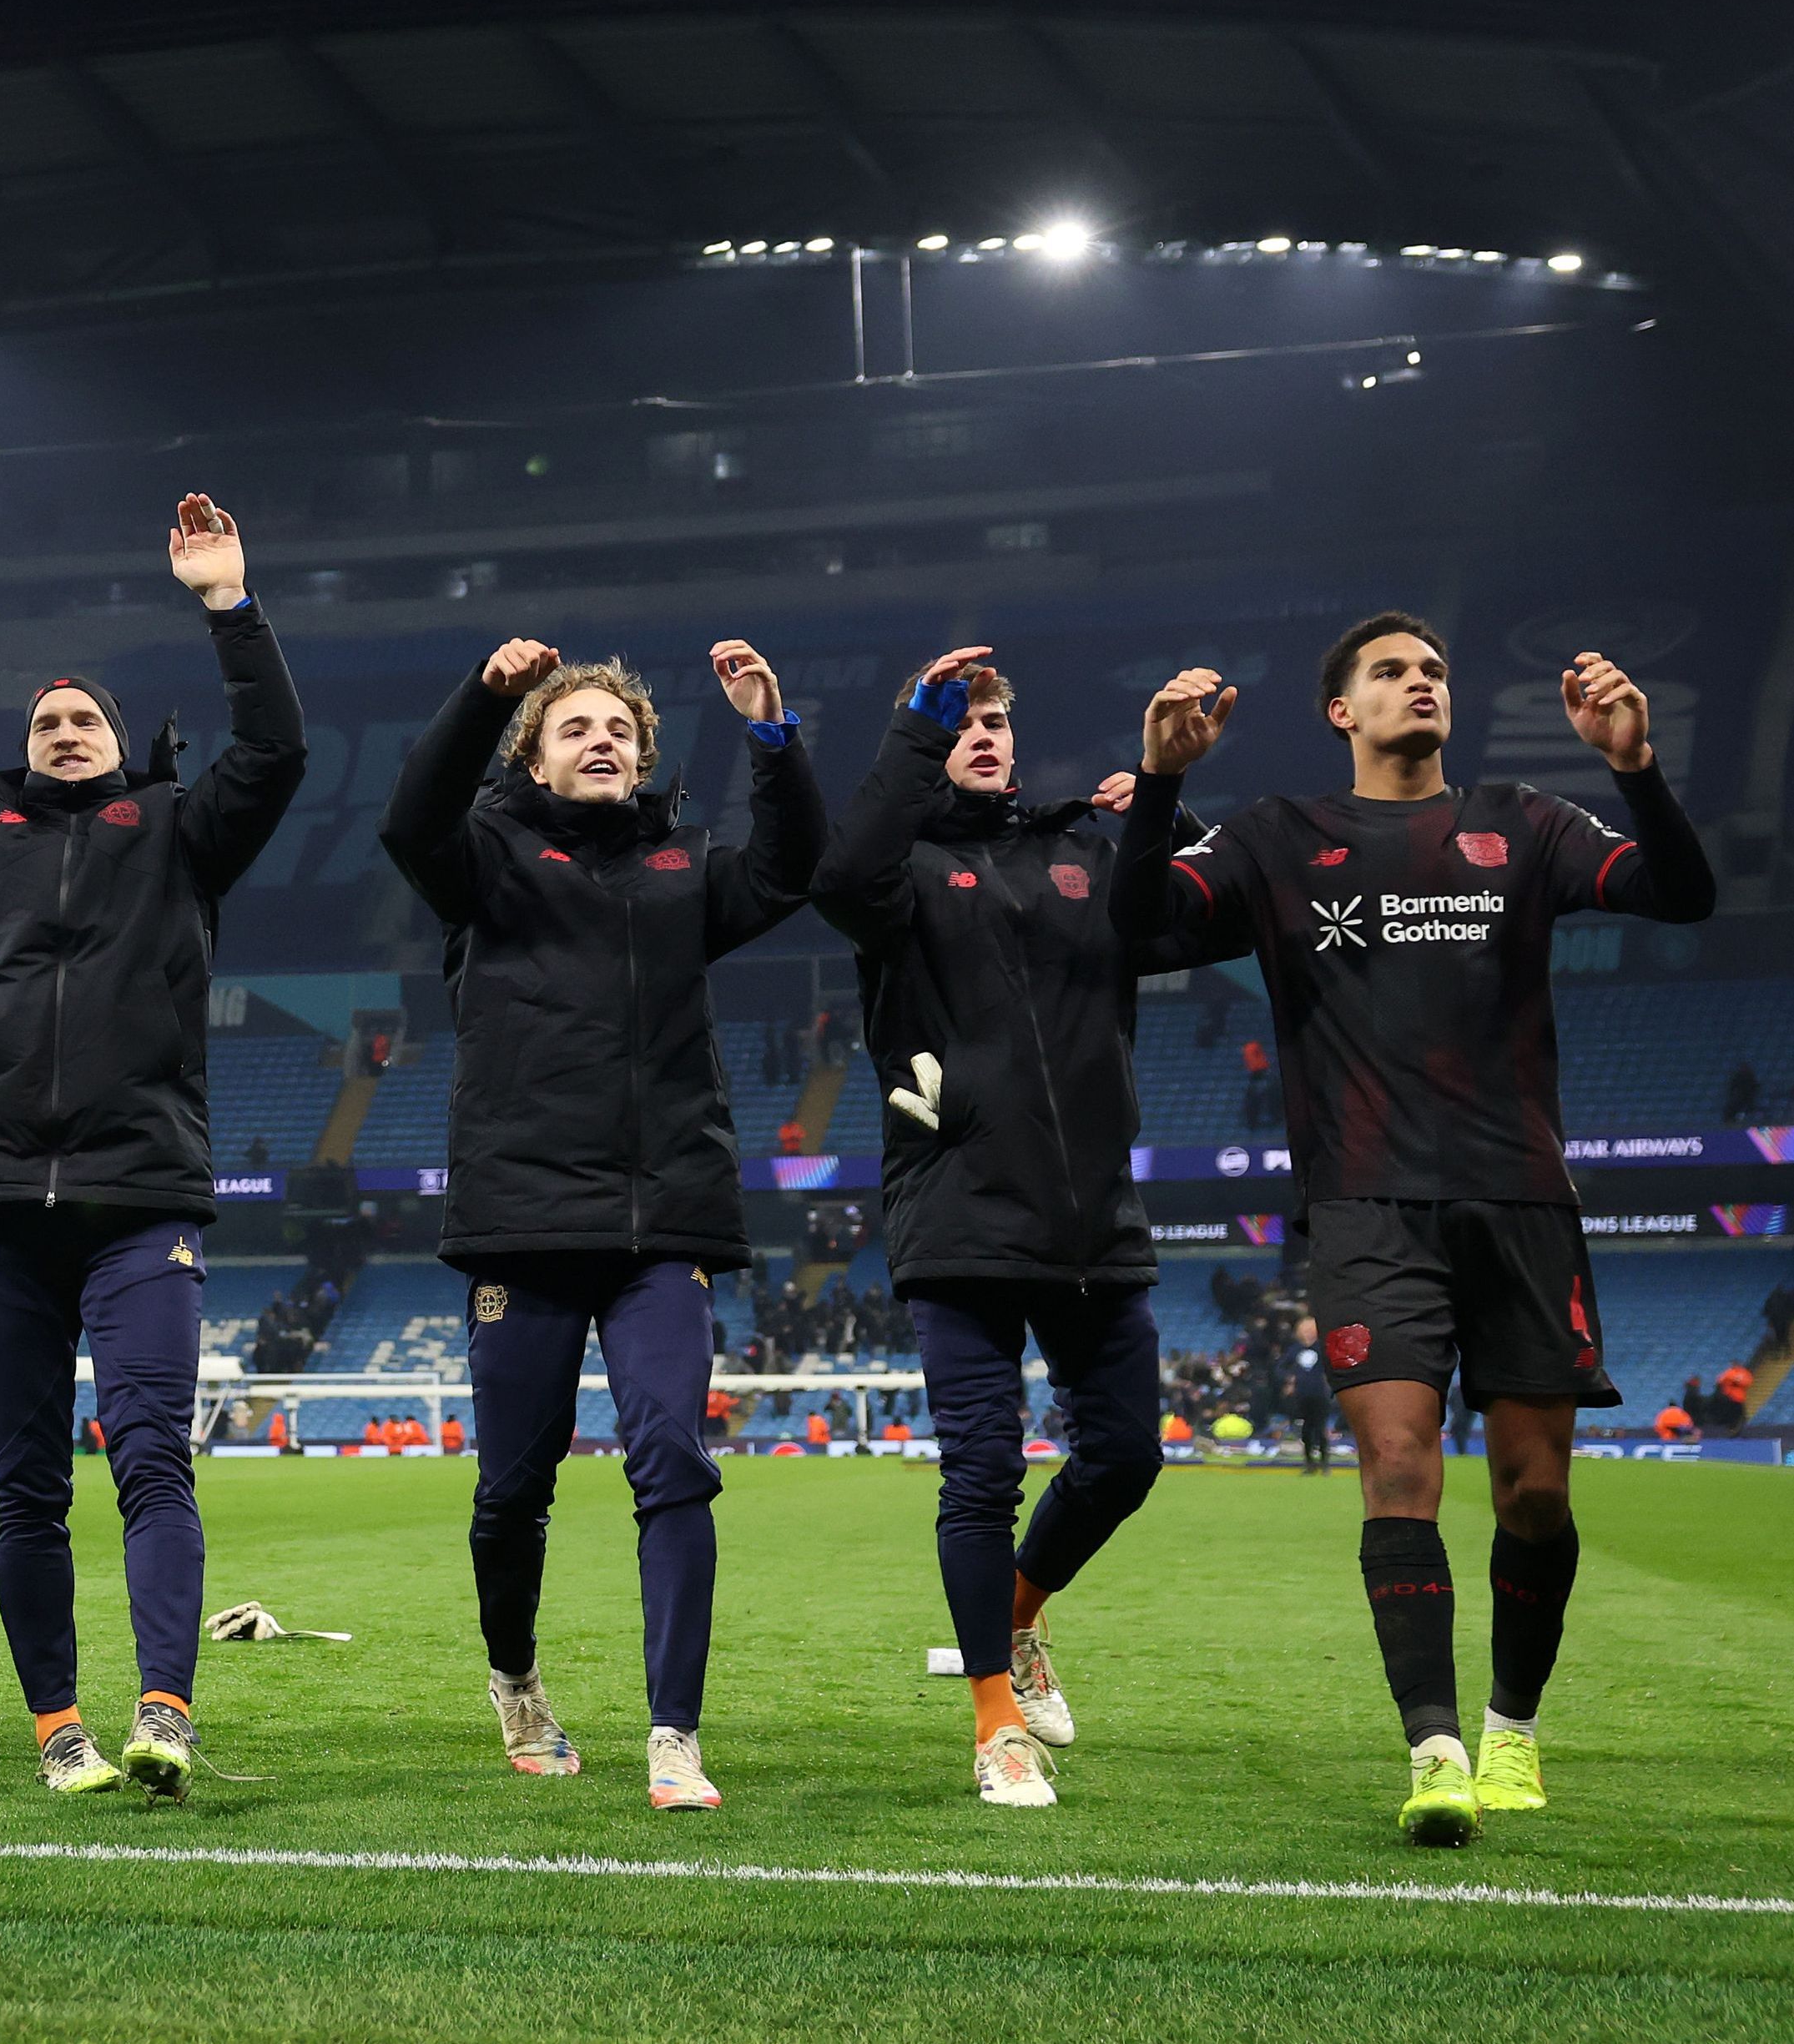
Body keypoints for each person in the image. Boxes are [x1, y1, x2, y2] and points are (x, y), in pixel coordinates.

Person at [1111, 618, 1711, 1843]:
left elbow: (1681, 895)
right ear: (1342, 709)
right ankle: (1434, 1747)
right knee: (1396, 1466)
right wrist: (1162, 781)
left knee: (1534, 1491)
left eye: (1432, 668)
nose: (1419, 680)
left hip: (1522, 1203)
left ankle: (1511, 1731)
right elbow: (1137, 923)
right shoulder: (1280, 837)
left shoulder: (1527, 822)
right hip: (1365, 1205)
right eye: (1390, 670)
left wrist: (1634, 766)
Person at [0, 496, 305, 1798]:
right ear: (21, 748)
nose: (63, 728)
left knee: (152, 1459)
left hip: (139, 1194)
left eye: (83, 716)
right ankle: (58, 1726)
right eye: (44, 720)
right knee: (27, 1484)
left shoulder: (177, 834)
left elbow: (271, 750)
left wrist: (227, 605)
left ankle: (166, 1707)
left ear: (116, 741)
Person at [382, 627, 820, 1814]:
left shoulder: (685, 864)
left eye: (619, 730)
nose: (602, 741)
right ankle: (515, 1678)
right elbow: (408, 820)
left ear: (641, 757)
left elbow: (787, 872)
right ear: (533, 757)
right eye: (574, 727)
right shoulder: (483, 856)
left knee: (672, 1459)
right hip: (521, 1215)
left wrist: (771, 737)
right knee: (511, 1491)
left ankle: (673, 1732)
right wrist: (482, 696)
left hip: (661, 1216)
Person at [812, 647, 1186, 1809]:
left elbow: (1181, 919)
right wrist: (909, 735)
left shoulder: (1083, 850)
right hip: (959, 1202)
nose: (982, 735)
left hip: (1090, 1208)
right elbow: (836, 878)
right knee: (980, 1466)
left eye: (992, 722)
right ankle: (993, 1722)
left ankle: (1020, 1618)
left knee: (1125, 1457)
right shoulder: (900, 867)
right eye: (958, 722)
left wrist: (1164, 798)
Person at [1285, 1315, 1337, 1474]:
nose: (1307, 1333)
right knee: (1306, 1430)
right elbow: (1281, 1368)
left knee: (1320, 1429)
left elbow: (1332, 1367)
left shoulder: (1322, 1348)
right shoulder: (1294, 1350)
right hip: (1302, 1395)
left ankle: (1325, 1463)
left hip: (1319, 1394)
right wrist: (1290, 1379)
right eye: (1304, 1330)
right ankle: (1309, 1463)